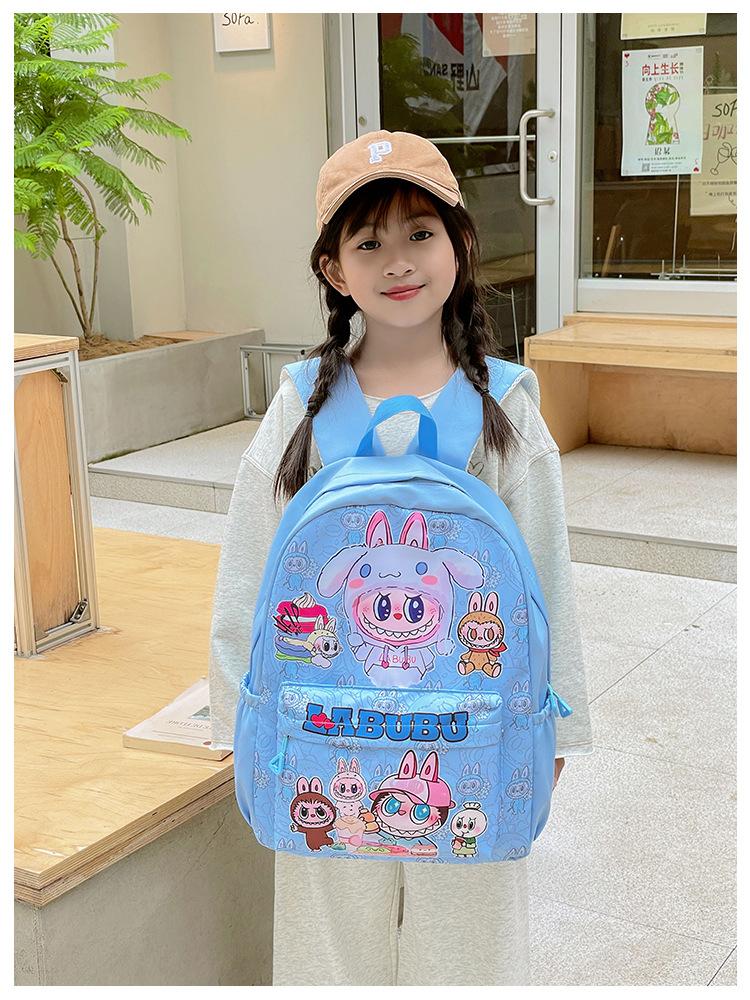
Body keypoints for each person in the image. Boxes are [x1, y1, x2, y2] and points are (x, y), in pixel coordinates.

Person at [209, 129, 593, 986]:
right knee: (327, 947)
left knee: (469, 949)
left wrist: (555, 729)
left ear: (460, 243)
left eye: (420, 232)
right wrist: (238, 712)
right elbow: (249, 570)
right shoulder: (300, 408)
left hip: (474, 736)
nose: (399, 261)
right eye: (368, 242)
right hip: (317, 737)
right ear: (333, 269)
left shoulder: (505, 408)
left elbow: (545, 578)